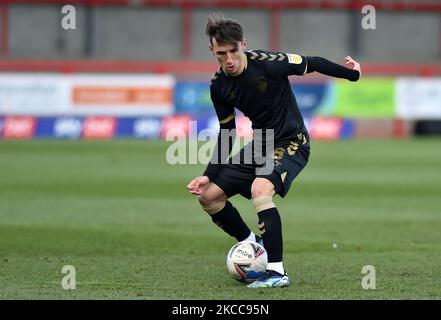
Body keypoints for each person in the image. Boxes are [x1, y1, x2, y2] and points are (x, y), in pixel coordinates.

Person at [186, 13, 361, 288]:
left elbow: (312, 62)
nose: (229, 59)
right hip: (261, 143)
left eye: (233, 51)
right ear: (212, 50)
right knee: (208, 197)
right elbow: (228, 132)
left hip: (292, 140)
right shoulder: (218, 85)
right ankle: (252, 244)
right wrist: (209, 174)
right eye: (221, 53)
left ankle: (277, 272)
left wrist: (353, 74)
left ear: (243, 44)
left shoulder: (269, 64)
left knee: (260, 189)